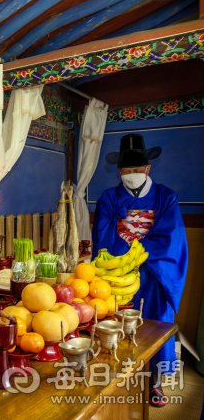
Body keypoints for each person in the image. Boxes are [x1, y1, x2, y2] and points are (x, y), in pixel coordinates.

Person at [92, 133, 188, 408]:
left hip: (155, 275)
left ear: (148, 169)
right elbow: (103, 236)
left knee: (155, 326)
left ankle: (154, 382)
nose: (132, 174)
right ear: (119, 171)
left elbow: (170, 237)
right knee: (118, 326)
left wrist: (137, 248)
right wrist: (126, 258)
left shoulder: (166, 198)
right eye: (126, 170)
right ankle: (119, 379)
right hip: (120, 276)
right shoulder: (109, 198)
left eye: (137, 169)